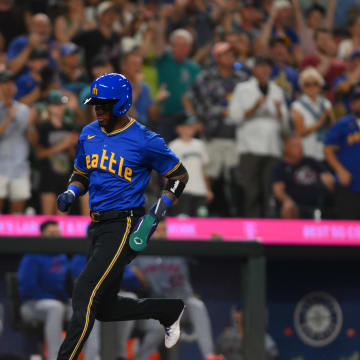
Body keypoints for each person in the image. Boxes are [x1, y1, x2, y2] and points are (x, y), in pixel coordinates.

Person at [55, 72, 189, 360]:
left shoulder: (144, 139)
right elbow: (82, 172)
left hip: (126, 223)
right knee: (103, 308)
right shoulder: (88, 132)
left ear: (121, 103)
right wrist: (71, 191)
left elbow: (178, 176)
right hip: (98, 225)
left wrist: (157, 211)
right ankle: (168, 310)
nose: (98, 109)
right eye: (95, 104)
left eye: (104, 104)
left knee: (83, 292)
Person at [117, 221, 224, 360]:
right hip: (155, 307)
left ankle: (209, 355)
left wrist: (213, 243)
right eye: (157, 230)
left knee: (197, 305)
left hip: (183, 304)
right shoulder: (140, 254)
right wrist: (137, 275)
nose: (161, 234)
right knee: (159, 325)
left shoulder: (177, 249)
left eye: (164, 230)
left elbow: (202, 252)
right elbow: (127, 273)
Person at [183, 41, 248, 216]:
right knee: (211, 177)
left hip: (237, 135)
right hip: (212, 133)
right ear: (217, 57)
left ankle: (234, 215)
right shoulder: (205, 76)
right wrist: (195, 119)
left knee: (235, 179)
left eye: (231, 54)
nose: (230, 57)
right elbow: (187, 98)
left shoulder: (242, 77)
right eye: (225, 54)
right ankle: (209, 213)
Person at [18, 220, 98, 360]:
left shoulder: (62, 257)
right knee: (55, 307)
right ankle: (54, 357)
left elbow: (67, 285)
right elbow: (27, 288)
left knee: (87, 308)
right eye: (51, 233)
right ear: (42, 235)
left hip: (59, 304)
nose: (55, 236)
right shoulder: (31, 256)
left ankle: (92, 356)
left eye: (57, 233)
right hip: (31, 305)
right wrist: (57, 300)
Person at [229, 57, 288, 218]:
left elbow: (285, 126)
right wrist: (254, 107)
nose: (264, 70)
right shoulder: (242, 88)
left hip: (272, 147)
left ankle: (269, 228)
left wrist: (279, 112)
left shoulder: (277, 90)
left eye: (267, 67)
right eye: (260, 66)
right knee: (251, 190)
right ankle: (251, 226)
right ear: (254, 69)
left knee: (268, 190)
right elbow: (234, 117)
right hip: (250, 147)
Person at [155, 7, 201, 141]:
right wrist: (162, 19)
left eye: (185, 45)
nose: (182, 49)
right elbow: (158, 42)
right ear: (172, 46)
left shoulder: (195, 68)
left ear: (190, 48)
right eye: (178, 45)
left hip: (186, 118)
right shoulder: (164, 59)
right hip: (165, 116)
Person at [33, 90, 79, 214]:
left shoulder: (68, 126)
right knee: (48, 219)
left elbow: (73, 155)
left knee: (63, 219)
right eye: (56, 104)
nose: (60, 108)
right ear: (48, 107)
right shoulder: (43, 127)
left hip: (66, 176)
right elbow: (39, 154)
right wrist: (62, 145)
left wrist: (71, 146)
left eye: (61, 104)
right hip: (48, 177)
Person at [271, 135, 334, 219]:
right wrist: (286, 200)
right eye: (295, 146)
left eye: (300, 146)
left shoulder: (310, 161)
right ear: (286, 148)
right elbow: (277, 189)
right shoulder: (279, 167)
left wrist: (330, 182)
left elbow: (327, 178)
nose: (300, 149)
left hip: (320, 200)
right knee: (288, 208)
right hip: (296, 204)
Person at [324, 87, 360, 219]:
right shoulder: (343, 124)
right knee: (348, 224)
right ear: (351, 104)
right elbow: (328, 150)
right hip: (349, 183)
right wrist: (340, 170)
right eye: (357, 101)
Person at [0, 69, 32, 214]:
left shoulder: (23, 109)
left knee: (17, 213)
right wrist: (9, 118)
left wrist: (32, 126)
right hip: (0, 167)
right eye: (5, 83)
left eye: (12, 83)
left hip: (20, 166)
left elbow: (31, 138)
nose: (9, 86)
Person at [169, 114, 212, 217]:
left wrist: (208, 189)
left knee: (201, 223)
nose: (189, 129)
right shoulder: (174, 146)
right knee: (183, 223)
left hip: (200, 191)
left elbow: (203, 169)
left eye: (191, 127)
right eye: (187, 126)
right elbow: (168, 172)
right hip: (183, 192)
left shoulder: (200, 145)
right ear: (178, 128)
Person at [291, 67, 335, 161]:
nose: (312, 87)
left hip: (324, 149)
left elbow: (332, 127)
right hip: (307, 149)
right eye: (307, 84)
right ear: (302, 87)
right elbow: (300, 132)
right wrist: (320, 122)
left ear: (320, 85)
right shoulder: (297, 106)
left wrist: (330, 118)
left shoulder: (326, 103)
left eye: (315, 83)